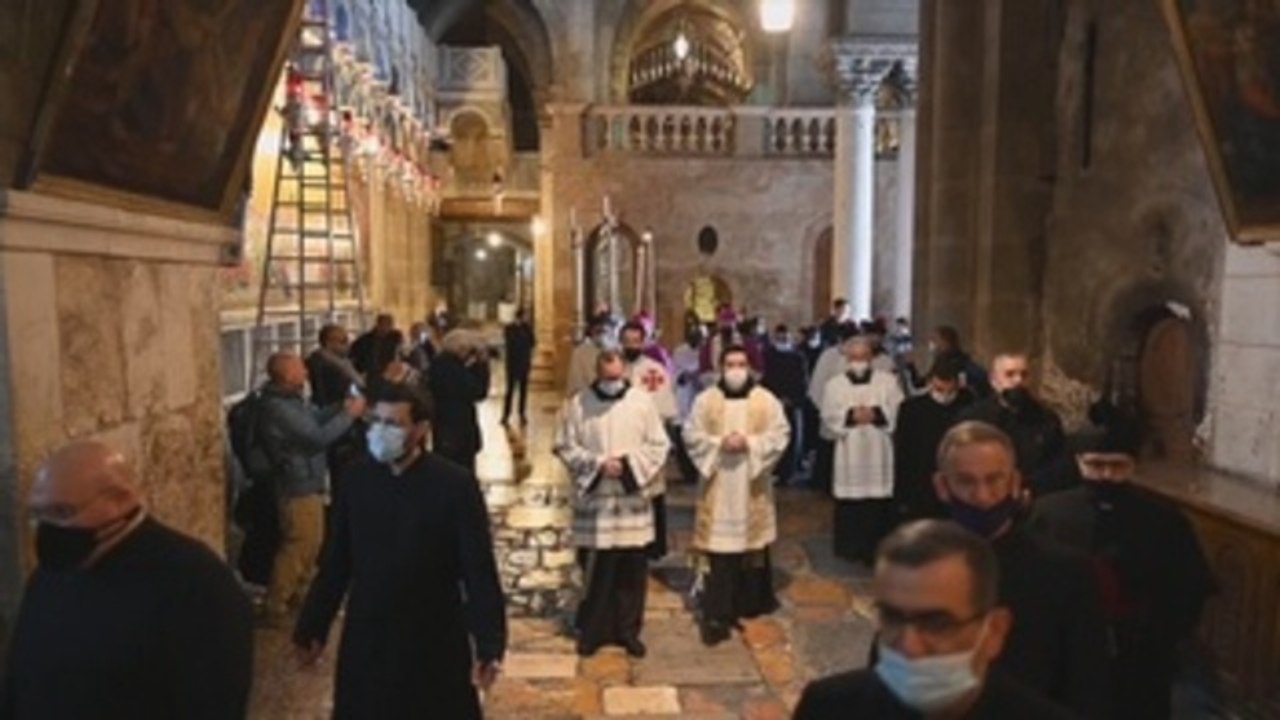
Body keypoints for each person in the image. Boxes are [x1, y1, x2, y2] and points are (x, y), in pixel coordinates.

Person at [294, 383, 506, 719]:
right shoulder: (356, 478)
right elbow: (336, 561)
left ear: (420, 429)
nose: (380, 431)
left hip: (434, 634)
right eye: (376, 421)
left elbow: (477, 568)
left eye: (393, 424)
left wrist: (489, 643)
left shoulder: (453, 485)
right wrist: (313, 626)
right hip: (369, 632)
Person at [1, 441, 253, 719]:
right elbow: (19, 672)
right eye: (37, 515)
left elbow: (214, 705)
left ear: (120, 500)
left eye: (62, 513)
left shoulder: (197, 583)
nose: (46, 528)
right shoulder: (49, 575)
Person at [1029, 402, 1215, 720]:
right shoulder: (1047, 514)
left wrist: (1157, 636)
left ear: (1133, 466)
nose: (1105, 476)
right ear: (1078, 462)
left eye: (1117, 466)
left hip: (1141, 658)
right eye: (1096, 465)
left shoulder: (1164, 522)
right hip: (1066, 654)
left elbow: (1188, 588)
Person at [794, 520, 1076, 719]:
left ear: (994, 631)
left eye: (937, 623)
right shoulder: (830, 708)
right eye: (892, 617)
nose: (910, 645)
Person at [933, 421, 1111, 717]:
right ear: (942, 486)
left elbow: (1088, 683)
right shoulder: (917, 566)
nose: (983, 496)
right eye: (966, 481)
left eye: (994, 480)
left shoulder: (1065, 571)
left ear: (1015, 483)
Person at [554, 349, 672, 658]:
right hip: (598, 504)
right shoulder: (578, 404)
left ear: (624, 373)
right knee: (598, 569)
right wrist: (597, 465)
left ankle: (628, 631)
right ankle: (593, 631)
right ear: (597, 373)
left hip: (630, 500)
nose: (612, 383)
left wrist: (628, 466)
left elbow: (659, 444)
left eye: (617, 377)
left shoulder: (641, 402)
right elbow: (564, 444)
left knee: (633, 570)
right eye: (607, 378)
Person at [684, 346, 790, 645]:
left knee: (750, 545)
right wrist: (719, 443)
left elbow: (780, 434)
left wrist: (750, 443)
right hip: (719, 484)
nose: (736, 369)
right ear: (720, 367)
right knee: (720, 548)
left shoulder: (765, 400)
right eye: (730, 364)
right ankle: (717, 609)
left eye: (741, 364)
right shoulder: (706, 400)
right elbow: (691, 434)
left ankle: (748, 602)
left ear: (750, 368)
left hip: (750, 482)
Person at [258, 352, 367, 624]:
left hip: (311, 480)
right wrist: (349, 416)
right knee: (298, 543)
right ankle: (276, 603)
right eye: (299, 369)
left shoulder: (292, 401)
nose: (306, 373)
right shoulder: (277, 408)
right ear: (285, 375)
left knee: (313, 542)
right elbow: (316, 437)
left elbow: (314, 419)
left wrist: (340, 408)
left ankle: (300, 594)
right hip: (296, 483)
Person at [820, 333, 904, 564]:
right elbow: (828, 414)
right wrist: (849, 415)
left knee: (877, 502)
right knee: (851, 502)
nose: (859, 361)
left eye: (864, 357)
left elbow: (899, 409)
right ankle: (850, 547)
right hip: (850, 451)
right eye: (854, 357)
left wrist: (877, 413)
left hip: (879, 448)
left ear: (871, 357)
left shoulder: (887, 381)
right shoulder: (834, 385)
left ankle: (875, 548)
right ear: (847, 358)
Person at [956, 353, 1069, 496]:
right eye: (1009, 374)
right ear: (993, 381)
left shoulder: (1046, 418)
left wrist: (1031, 489)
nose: (1018, 381)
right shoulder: (973, 418)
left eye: (1024, 375)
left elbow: (1058, 463)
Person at [620, 320, 678, 557]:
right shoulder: (615, 367)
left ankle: (654, 546)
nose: (631, 346)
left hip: (647, 444)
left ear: (643, 342)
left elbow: (665, 410)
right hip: (622, 442)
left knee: (652, 492)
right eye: (627, 341)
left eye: (636, 341)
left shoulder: (655, 370)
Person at [891, 360, 974, 525]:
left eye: (950, 390)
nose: (944, 395)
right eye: (939, 389)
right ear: (930, 383)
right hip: (921, 481)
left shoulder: (969, 407)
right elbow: (904, 452)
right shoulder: (911, 409)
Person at [428, 329, 490, 473]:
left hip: (449, 428)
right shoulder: (449, 367)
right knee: (457, 472)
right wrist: (481, 364)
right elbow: (478, 391)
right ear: (460, 348)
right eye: (468, 349)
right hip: (455, 431)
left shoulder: (444, 363)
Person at [762, 324, 809, 484]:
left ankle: (788, 471)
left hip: (791, 403)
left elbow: (802, 381)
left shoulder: (798, 357)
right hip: (773, 402)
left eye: (784, 336)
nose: (782, 339)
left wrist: (793, 399)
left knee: (792, 438)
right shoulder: (768, 356)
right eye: (779, 336)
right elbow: (766, 380)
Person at [306, 323, 362, 407]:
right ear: (329, 343)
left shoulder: (341, 361)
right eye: (343, 341)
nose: (348, 344)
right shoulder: (323, 364)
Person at [929, 325, 991, 397]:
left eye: (935, 340)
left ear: (945, 342)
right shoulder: (939, 363)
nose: (932, 345)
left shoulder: (964, 365)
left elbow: (982, 381)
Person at [502, 307, 536, 426]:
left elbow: (533, 342)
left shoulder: (527, 328)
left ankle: (522, 413)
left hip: (524, 363)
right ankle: (506, 415)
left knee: (523, 390)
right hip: (513, 364)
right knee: (510, 390)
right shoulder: (509, 328)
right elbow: (510, 343)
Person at [565, 319, 610, 398]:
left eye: (604, 331)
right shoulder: (580, 352)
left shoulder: (613, 351)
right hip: (587, 397)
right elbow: (576, 378)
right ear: (592, 332)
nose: (601, 334)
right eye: (598, 331)